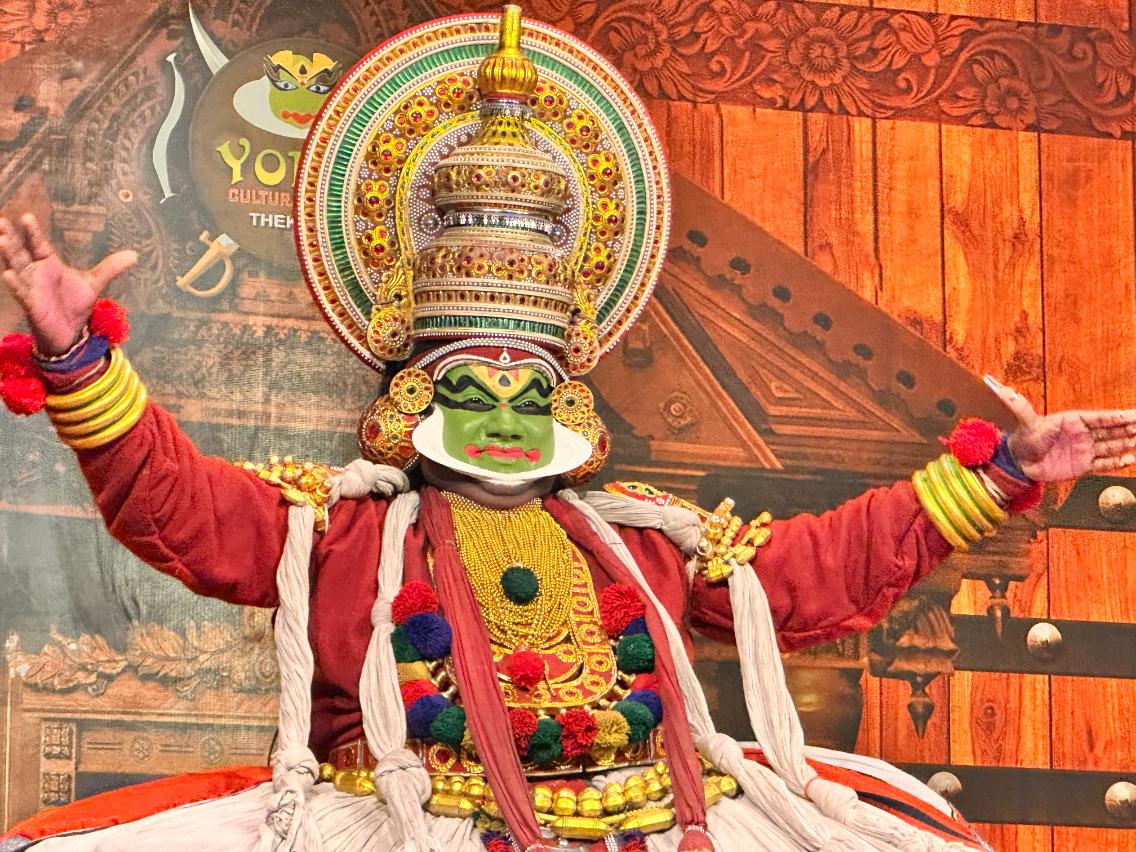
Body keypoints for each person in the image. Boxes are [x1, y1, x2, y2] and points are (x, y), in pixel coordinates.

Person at [2, 7, 1135, 852]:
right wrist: (78, 358)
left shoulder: (639, 544)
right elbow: (175, 507)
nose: (504, 416)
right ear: (414, 394)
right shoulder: (339, 536)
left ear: (567, 404)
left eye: (528, 391)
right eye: (473, 387)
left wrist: (1001, 474)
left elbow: (812, 576)